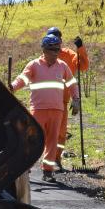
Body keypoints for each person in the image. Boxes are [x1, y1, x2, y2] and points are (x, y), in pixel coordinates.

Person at [11, 34, 80, 183]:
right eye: (52, 49)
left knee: (52, 141)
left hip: (56, 110)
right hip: (38, 109)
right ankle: (24, 168)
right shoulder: (34, 65)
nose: (56, 52)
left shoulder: (62, 66)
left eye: (57, 49)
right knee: (31, 139)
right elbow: (22, 78)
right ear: (44, 49)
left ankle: (47, 171)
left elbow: (72, 83)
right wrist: (12, 87)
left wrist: (76, 99)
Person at [46, 26, 89, 169]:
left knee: (61, 133)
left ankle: (56, 159)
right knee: (43, 131)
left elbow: (83, 66)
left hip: (61, 102)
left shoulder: (69, 55)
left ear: (60, 40)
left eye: (56, 38)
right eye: (51, 37)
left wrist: (80, 48)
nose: (54, 41)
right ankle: (38, 160)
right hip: (43, 102)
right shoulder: (43, 56)